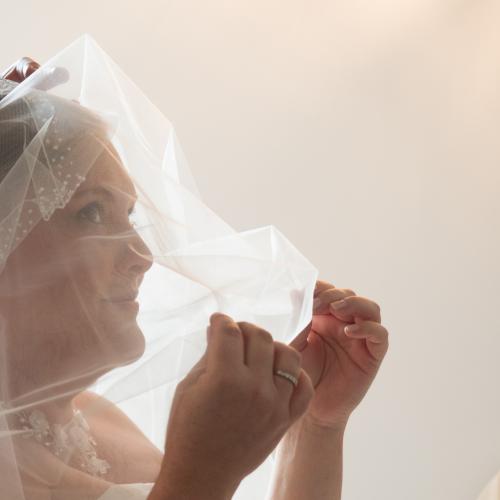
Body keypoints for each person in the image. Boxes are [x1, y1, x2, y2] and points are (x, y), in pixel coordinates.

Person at [0, 44, 389, 500]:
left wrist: (317, 424)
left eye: (129, 216)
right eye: (91, 213)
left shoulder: (94, 419)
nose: (142, 255)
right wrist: (201, 477)